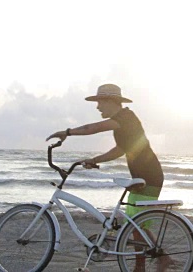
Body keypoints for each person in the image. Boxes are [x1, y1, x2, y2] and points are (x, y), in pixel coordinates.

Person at [46, 83, 164, 221]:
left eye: (99, 102)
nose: (97, 107)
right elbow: (119, 150)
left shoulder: (125, 117)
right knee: (135, 225)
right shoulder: (124, 120)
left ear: (110, 101)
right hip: (145, 176)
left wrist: (67, 132)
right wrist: (94, 160)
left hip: (148, 177)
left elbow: (94, 128)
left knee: (137, 225)